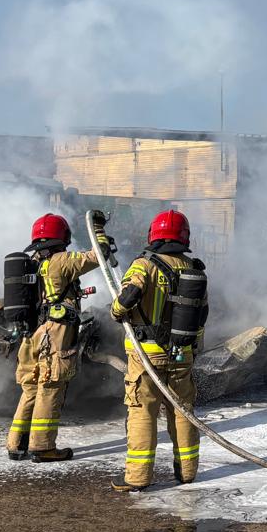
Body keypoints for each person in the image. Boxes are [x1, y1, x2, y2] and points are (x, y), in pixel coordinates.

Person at [110, 209, 210, 492]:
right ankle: (187, 472)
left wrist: (115, 311)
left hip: (146, 355)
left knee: (142, 411)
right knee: (182, 411)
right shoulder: (194, 269)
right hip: (182, 353)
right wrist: (192, 348)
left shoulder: (144, 265)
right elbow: (201, 314)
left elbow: (126, 298)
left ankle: (138, 477)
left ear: (153, 234)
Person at [7, 213, 101, 463]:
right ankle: (43, 447)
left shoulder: (33, 262)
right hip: (53, 334)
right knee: (50, 387)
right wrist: (99, 230)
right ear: (63, 237)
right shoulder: (60, 260)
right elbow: (98, 256)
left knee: (30, 389)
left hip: (31, 335)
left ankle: (16, 445)